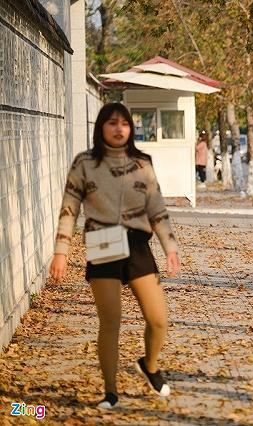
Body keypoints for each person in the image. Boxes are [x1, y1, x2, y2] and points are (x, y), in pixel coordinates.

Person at [49, 103, 181, 409]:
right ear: (101, 127)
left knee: (158, 319)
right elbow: (69, 210)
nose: (119, 128)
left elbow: (157, 209)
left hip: (137, 244)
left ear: (131, 129)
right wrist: (61, 252)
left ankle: (149, 366)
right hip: (103, 243)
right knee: (110, 322)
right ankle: (110, 393)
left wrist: (170, 247)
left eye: (125, 123)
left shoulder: (142, 163)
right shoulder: (84, 163)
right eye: (112, 123)